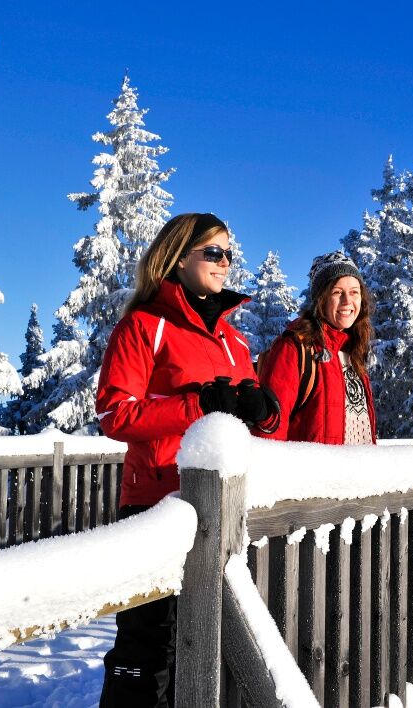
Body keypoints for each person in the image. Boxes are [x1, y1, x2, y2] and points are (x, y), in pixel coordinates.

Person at [95, 212, 278, 707]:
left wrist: (264, 412)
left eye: (229, 254)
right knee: (149, 647)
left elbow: (246, 421)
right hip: (157, 503)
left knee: (208, 643)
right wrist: (196, 404)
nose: (225, 262)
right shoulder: (144, 325)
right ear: (178, 258)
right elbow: (114, 414)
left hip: (222, 510)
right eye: (213, 252)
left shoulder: (234, 340)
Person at [258, 251, 376, 444]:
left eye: (354, 292)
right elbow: (270, 432)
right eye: (337, 292)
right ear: (321, 299)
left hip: (362, 464)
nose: (347, 301)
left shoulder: (354, 350)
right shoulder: (295, 348)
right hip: (312, 465)